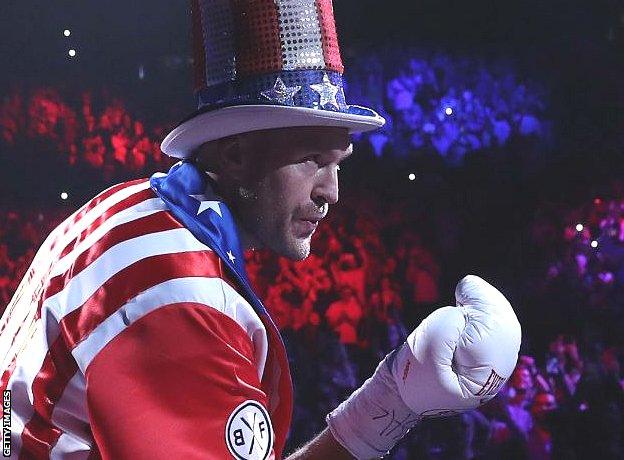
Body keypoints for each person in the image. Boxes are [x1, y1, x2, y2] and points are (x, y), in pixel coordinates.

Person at [0, 1, 521, 458]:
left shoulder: (131, 210)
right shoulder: (174, 295)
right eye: (311, 157)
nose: (331, 191)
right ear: (234, 152)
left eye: (339, 162)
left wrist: (391, 400)